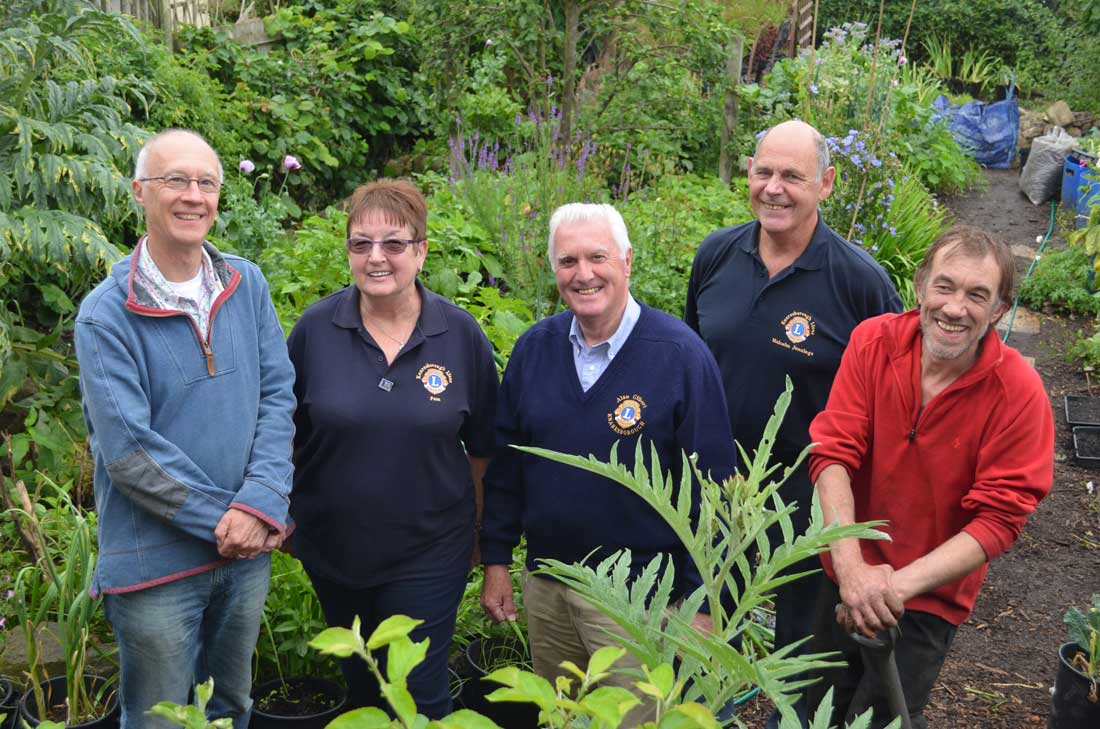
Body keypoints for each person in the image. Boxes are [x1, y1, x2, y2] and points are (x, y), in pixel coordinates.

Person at [479, 203, 737, 722]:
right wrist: (497, 561)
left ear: (626, 261)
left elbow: (715, 491)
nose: (583, 274)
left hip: (641, 599)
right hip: (550, 586)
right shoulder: (534, 350)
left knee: (636, 720)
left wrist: (703, 607)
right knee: (565, 715)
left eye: (597, 257)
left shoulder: (679, 356)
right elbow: (507, 469)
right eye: (567, 261)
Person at [684, 119, 902, 726]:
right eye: (763, 172)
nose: (773, 188)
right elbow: (697, 364)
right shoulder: (716, 256)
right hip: (718, 497)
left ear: (826, 184)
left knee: (799, 665)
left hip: (809, 505)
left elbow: (888, 402)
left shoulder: (859, 284)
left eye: (792, 176)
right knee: (701, 640)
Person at [75, 129, 295, 729]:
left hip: (246, 558)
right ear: (139, 192)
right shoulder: (105, 315)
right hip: (157, 568)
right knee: (162, 721)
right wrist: (230, 523)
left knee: (231, 709)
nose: (193, 195)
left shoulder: (246, 285)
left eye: (206, 183)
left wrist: (263, 502)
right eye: (176, 180)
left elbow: (278, 396)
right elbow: (128, 451)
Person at [805, 225, 1055, 729]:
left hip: (927, 598)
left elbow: (999, 520)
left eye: (977, 295)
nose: (955, 308)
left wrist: (893, 588)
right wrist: (852, 570)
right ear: (920, 286)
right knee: (811, 712)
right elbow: (833, 454)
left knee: (882, 719)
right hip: (844, 572)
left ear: (1000, 310)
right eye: (945, 286)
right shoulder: (873, 343)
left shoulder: (1019, 392)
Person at [287, 179, 498, 719]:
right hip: (334, 550)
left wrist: (479, 532)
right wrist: (282, 513)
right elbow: (283, 432)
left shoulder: (459, 334)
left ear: (421, 250)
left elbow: (482, 448)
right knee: (361, 687)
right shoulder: (316, 330)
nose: (376, 258)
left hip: (429, 550)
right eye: (361, 244)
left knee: (415, 693)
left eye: (394, 244)